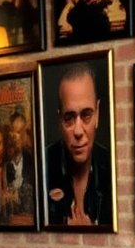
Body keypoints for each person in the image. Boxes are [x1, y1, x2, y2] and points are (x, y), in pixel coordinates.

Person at [45, 63, 113, 227]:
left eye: (86, 115)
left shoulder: (113, 168)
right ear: (59, 120)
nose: (78, 130)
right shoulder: (42, 167)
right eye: (69, 117)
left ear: (97, 114)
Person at [4, 111, 37, 223]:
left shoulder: (32, 161)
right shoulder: (4, 163)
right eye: (17, 132)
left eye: (23, 132)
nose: (21, 136)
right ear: (10, 135)